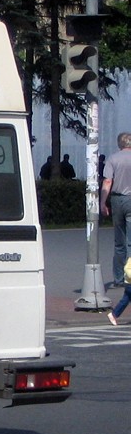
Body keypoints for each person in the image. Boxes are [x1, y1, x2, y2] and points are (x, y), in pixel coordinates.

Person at [102, 132, 131, 324]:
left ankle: (119, 278)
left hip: (118, 199)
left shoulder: (113, 158)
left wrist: (103, 202)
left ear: (119, 144)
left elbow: (107, 182)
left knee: (119, 242)